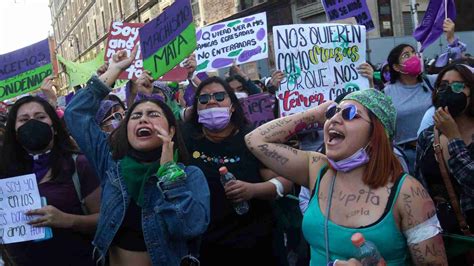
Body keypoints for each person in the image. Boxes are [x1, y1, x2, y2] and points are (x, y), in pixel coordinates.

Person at [245, 89, 447, 265]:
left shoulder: (407, 192)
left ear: (376, 133)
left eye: (350, 114)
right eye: (334, 112)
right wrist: (315, 114)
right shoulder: (317, 169)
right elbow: (255, 140)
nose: (334, 118)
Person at [64, 49, 211, 266]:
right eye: (136, 116)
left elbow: (190, 227)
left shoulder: (190, 176)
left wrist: (170, 174)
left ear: (170, 131)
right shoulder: (110, 163)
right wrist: (114, 70)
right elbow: (75, 114)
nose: (143, 119)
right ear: (127, 129)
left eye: (153, 114)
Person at [181, 76, 292, 265]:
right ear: (196, 109)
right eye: (204, 99)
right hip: (209, 247)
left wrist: (253, 190)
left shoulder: (252, 138)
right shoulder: (186, 140)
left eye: (219, 96)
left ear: (232, 105)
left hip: (258, 245)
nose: (212, 101)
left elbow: (285, 182)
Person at [0, 96, 101, 266]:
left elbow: (105, 219)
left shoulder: (79, 165)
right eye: (23, 119)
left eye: (40, 117)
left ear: (54, 126)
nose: (32, 123)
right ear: (15, 132)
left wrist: (68, 220)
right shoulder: (4, 172)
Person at [384, 19, 460, 174]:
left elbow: (458, 71)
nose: (413, 57)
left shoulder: (431, 82)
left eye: (413, 53)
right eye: (406, 55)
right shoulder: (387, 92)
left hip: (437, 150)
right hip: (407, 156)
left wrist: (452, 40)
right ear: (396, 67)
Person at [415, 64, 474, 239]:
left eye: (458, 86)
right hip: (443, 236)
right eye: (443, 86)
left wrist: (454, 138)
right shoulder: (427, 137)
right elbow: (420, 187)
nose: (449, 91)